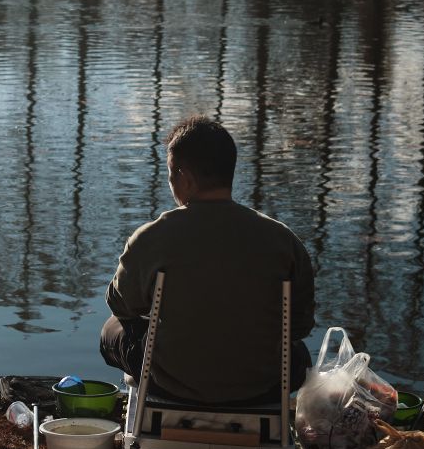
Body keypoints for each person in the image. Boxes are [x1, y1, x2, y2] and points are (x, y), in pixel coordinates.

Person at [101, 114, 314, 405]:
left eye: (170, 174)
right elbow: (300, 325)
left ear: (184, 177)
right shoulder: (284, 240)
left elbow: (121, 305)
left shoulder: (153, 237)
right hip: (262, 384)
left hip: (169, 381)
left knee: (111, 330)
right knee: (299, 352)